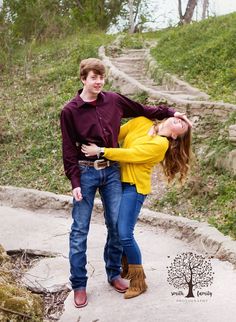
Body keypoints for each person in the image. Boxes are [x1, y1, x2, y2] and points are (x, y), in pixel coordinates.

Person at [60, 57, 192, 308]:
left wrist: (172, 112)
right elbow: (68, 148)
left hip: (112, 172)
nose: (98, 81)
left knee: (116, 227)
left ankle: (113, 273)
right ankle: (79, 284)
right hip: (85, 172)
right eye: (93, 77)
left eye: (101, 77)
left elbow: (143, 110)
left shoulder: (114, 100)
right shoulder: (70, 111)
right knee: (79, 231)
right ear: (83, 79)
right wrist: (74, 181)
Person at [81, 115, 191, 299]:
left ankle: (139, 282)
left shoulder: (160, 145)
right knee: (115, 229)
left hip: (134, 188)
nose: (181, 122)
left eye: (183, 126)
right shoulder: (141, 121)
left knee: (125, 233)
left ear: (174, 136)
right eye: (180, 119)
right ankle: (124, 268)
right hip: (115, 182)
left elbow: (131, 154)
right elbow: (114, 135)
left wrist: (101, 150)